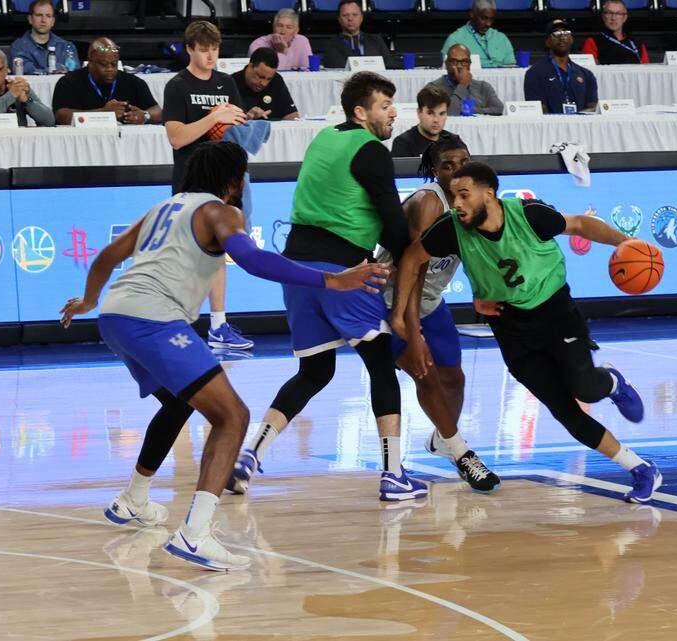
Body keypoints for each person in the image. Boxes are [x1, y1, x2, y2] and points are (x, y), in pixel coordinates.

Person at [59, 141, 388, 571]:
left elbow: (107, 256)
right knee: (232, 416)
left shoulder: (162, 209)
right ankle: (195, 535)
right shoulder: (220, 211)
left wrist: (88, 301)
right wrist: (332, 280)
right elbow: (252, 259)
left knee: (180, 402)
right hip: (153, 319)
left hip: (115, 315)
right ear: (234, 181)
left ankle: (133, 499)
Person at [390, 160, 661, 504]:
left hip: (555, 313)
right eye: (453, 196)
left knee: (585, 387)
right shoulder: (451, 228)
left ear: (488, 194)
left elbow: (578, 224)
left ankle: (612, 382)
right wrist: (399, 314)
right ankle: (641, 469)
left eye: (463, 195)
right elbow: (412, 258)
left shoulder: (528, 213)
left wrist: (628, 245)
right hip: (511, 327)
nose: (456, 204)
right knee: (565, 413)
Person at [226, 72, 426, 502]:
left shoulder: (323, 138)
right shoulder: (371, 149)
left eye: (394, 105)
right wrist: (419, 250)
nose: (394, 113)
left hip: (298, 271)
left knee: (315, 370)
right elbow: (393, 226)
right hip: (342, 270)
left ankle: (250, 456)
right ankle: (393, 475)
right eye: (384, 106)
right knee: (381, 365)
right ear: (361, 112)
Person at [379, 138, 500, 492]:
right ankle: (463, 454)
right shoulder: (428, 202)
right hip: (392, 298)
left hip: (431, 300)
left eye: (464, 162)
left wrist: (482, 295)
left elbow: (479, 255)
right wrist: (411, 329)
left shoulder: (471, 202)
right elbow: (412, 270)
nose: (458, 170)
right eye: (448, 165)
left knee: (455, 380)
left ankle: (444, 437)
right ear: (434, 171)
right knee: (426, 376)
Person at [163, 20, 252, 351]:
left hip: (222, 181)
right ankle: (177, 325)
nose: (210, 55)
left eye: (214, 49)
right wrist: (213, 119)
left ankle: (218, 325)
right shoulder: (177, 86)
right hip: (190, 179)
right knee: (188, 258)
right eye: (203, 50)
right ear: (189, 49)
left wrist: (228, 125)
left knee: (217, 253)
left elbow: (235, 130)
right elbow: (176, 137)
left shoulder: (227, 82)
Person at [51, 38, 161, 125]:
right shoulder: (69, 82)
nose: (110, 69)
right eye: (103, 64)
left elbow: (158, 111)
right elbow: (61, 116)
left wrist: (145, 116)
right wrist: (103, 113)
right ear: (90, 62)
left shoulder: (134, 82)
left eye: (114, 64)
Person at [0, 47, 55, 127]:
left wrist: (27, 101)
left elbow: (49, 121)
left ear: (7, 70)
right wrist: (11, 95)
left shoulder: (18, 87)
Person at [525, 19, 598, 114]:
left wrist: (575, 119)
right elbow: (538, 110)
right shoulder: (534, 73)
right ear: (547, 42)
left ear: (572, 39)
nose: (562, 37)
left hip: (581, 126)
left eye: (565, 33)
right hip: (551, 127)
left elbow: (593, 107)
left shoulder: (586, 74)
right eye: (556, 34)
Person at [426, 44, 504, 116]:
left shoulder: (483, 87)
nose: (459, 66)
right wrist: (462, 85)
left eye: (464, 62)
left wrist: (469, 110)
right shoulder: (433, 88)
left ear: (470, 64)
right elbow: (449, 113)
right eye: (454, 61)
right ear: (446, 64)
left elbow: (499, 109)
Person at [440, 0, 515, 68]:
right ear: (472, 14)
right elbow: (450, 71)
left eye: (491, 19)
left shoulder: (502, 38)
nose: (488, 24)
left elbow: (511, 68)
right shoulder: (455, 40)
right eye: (483, 18)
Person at [232, 47, 299, 121]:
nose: (264, 83)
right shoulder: (231, 83)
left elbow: (292, 114)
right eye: (260, 77)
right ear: (250, 66)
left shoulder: (276, 80)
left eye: (269, 79)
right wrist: (246, 118)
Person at [391, 85, 459, 158]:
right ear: (419, 112)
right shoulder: (403, 144)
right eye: (430, 113)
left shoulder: (454, 141)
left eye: (441, 114)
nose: (436, 120)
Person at [10, 0, 75, 75]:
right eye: (39, 15)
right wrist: (54, 71)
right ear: (30, 19)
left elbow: (74, 74)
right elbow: (25, 71)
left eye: (48, 16)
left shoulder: (67, 46)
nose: (43, 20)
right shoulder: (18, 47)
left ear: (53, 21)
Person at [321, 0, 391, 70]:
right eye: (345, 15)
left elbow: (388, 64)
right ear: (339, 19)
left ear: (361, 18)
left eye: (355, 15)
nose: (350, 19)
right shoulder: (331, 44)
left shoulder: (376, 40)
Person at [581, 0, 649, 65]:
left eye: (618, 13)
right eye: (609, 13)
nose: (613, 18)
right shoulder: (592, 42)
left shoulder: (637, 44)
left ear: (624, 18)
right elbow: (589, 73)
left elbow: (646, 70)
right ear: (603, 16)